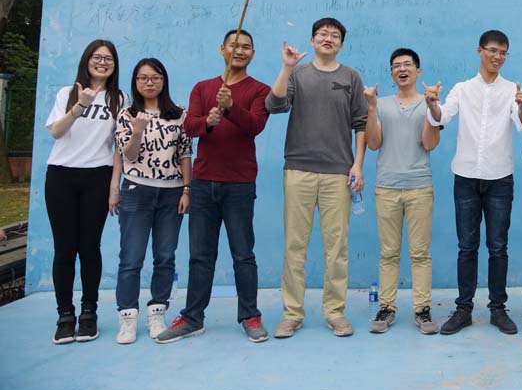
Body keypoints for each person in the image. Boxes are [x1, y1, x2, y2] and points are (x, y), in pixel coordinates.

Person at [157, 29, 271, 343]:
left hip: (240, 184)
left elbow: (255, 126)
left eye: (246, 46)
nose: (240, 50)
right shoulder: (203, 87)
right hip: (204, 182)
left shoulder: (259, 90)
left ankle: (250, 315)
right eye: (234, 45)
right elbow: (190, 127)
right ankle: (192, 317)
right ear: (222, 49)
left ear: (253, 54)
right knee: (200, 255)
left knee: (243, 254)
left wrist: (231, 107)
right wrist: (209, 120)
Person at [267, 18, 367, 338]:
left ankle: (335, 312)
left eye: (335, 35)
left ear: (341, 44)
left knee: (337, 247)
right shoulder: (298, 74)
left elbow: (361, 124)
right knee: (295, 245)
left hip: (338, 173)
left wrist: (357, 165)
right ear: (312, 41)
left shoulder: (350, 77)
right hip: (299, 170)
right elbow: (274, 104)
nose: (328, 38)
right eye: (323, 34)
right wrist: (286, 68)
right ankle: (292, 313)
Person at [426, 29, 522, 336]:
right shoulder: (463, 88)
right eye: (493, 50)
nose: (498, 57)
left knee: (498, 246)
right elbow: (442, 117)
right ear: (480, 51)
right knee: (467, 247)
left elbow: (521, 123)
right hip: (466, 176)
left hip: (500, 178)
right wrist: (432, 103)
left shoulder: (511, 89)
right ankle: (463, 310)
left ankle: (498, 309)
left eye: (503, 52)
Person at [44, 39, 126, 344]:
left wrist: (114, 186)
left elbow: (119, 147)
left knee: (90, 247)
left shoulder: (119, 98)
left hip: (97, 177)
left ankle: (89, 312)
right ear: (86, 60)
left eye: (108, 59)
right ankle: (65, 314)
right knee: (64, 248)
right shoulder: (67, 93)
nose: (102, 62)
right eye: (97, 57)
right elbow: (56, 132)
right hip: (61, 176)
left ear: (114, 65)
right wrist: (80, 105)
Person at [112, 58, 192, 344]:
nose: (149, 83)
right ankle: (127, 317)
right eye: (143, 78)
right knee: (131, 257)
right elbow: (129, 155)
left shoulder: (179, 113)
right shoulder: (127, 114)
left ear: (163, 81)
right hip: (137, 190)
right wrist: (137, 130)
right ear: (135, 82)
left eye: (155, 77)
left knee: (165, 255)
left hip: (171, 192)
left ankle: (157, 312)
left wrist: (187, 189)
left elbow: (185, 154)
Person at [364, 48, 441, 335]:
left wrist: (432, 108)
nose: (402, 69)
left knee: (420, 253)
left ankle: (422, 309)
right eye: (396, 66)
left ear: (418, 71)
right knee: (388, 252)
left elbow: (430, 144)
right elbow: (373, 143)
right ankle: (387, 307)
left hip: (419, 186)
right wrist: (371, 108)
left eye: (407, 64)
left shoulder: (428, 102)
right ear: (392, 73)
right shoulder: (381, 104)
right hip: (387, 187)